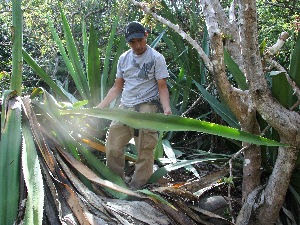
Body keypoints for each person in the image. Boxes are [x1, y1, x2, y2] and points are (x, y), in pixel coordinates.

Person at [96, 21, 171, 189]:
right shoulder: (124, 58)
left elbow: (162, 86)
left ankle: (138, 188)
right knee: (113, 145)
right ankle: (116, 183)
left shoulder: (156, 58)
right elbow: (117, 87)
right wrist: (101, 107)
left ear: (146, 35)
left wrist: (166, 108)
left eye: (140, 40)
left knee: (145, 149)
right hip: (125, 107)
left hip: (147, 107)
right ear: (127, 42)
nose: (137, 45)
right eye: (132, 42)